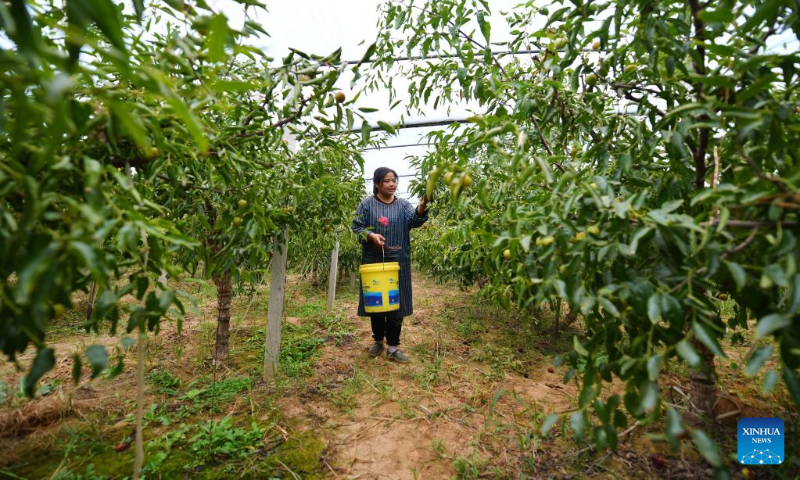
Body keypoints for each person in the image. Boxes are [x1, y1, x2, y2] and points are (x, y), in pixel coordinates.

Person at [352, 167, 429, 362]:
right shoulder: (367, 205)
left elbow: (415, 220)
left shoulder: (402, 205)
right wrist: (371, 235)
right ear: (377, 183)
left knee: (397, 303)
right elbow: (356, 227)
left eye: (394, 180)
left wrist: (422, 205)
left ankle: (393, 347)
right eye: (387, 181)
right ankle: (378, 340)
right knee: (377, 301)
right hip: (374, 261)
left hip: (398, 260)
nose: (392, 184)